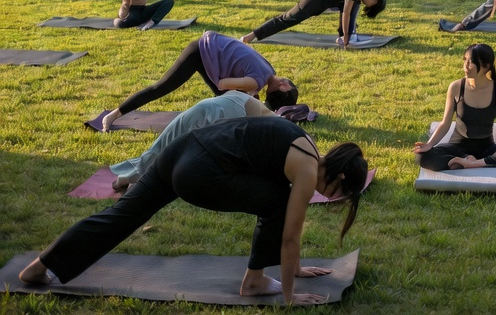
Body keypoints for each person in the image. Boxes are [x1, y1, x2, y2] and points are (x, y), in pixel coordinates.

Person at [19, 115, 367, 307]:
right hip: (201, 171)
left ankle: (39, 267)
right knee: (278, 200)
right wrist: (290, 296)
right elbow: (290, 238)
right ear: (336, 175)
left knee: (120, 218)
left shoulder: (304, 144)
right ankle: (256, 281)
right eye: (340, 192)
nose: (333, 198)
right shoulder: (306, 171)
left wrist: (297, 268)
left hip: (181, 151)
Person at [100, 30, 297, 131]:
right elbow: (222, 84)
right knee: (161, 87)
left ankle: (221, 128)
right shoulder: (257, 82)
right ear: (283, 86)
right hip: (201, 52)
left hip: (210, 48)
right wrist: (246, 93)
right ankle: (114, 115)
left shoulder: (269, 70)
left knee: (234, 103)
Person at [413, 42, 496, 170]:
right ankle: (466, 160)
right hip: (457, 147)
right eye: (465, 60)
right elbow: (445, 123)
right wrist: (429, 144)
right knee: (422, 156)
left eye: (471, 62)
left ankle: (473, 163)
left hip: (487, 149)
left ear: (486, 66)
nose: (466, 65)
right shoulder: (456, 87)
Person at [110, 90, 271, 190]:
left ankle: (132, 179)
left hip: (212, 112)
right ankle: (131, 179)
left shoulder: (263, 113)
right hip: (212, 114)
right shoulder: (269, 122)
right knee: (164, 149)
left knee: (165, 147)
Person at [243, 0, 386, 48]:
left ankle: (344, 36)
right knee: (289, 18)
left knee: (354, 3)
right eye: (370, 6)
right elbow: (346, 13)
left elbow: (347, 10)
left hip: (332, 1)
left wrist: (345, 36)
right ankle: (252, 35)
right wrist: (347, 39)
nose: (367, 6)